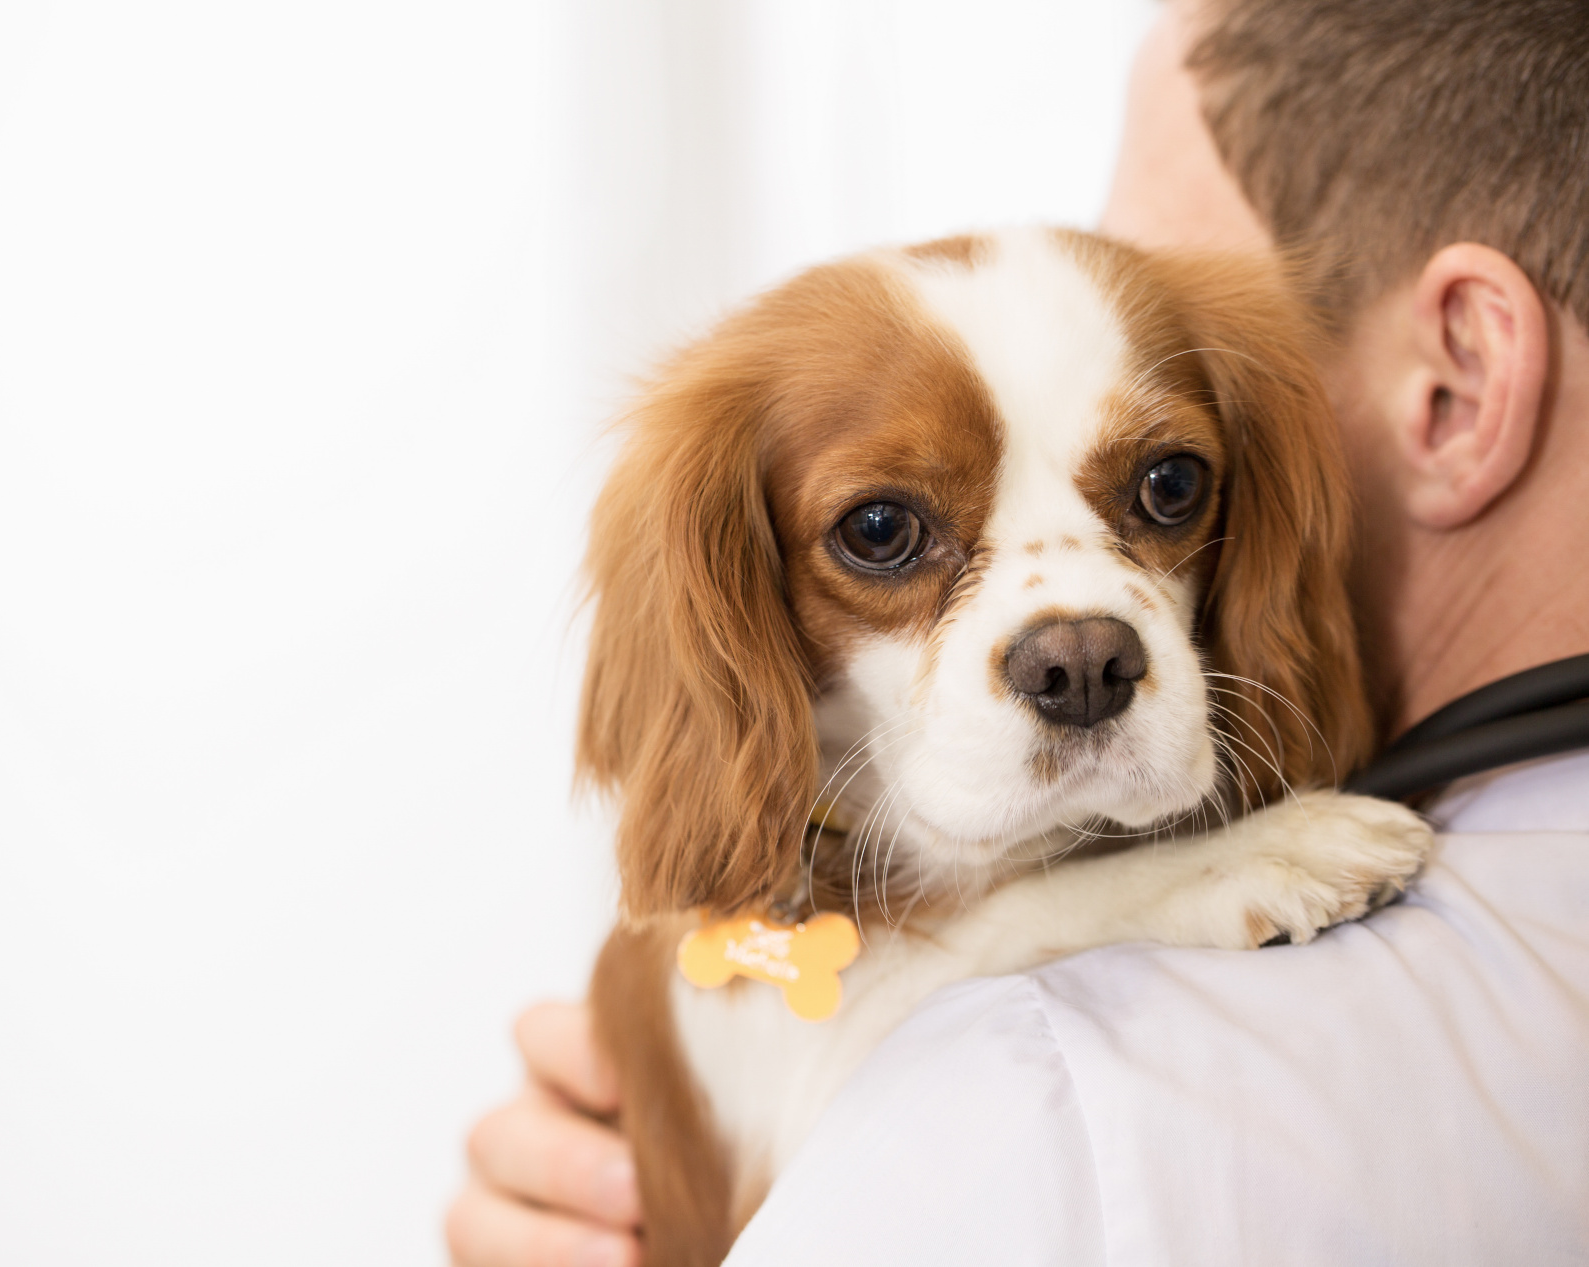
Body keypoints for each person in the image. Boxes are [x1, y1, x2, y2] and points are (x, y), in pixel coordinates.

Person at [446, 0, 1589, 1262]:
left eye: (1164, 490)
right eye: (882, 534)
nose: (1075, 640)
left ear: (1461, 373)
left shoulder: (1038, 1123)